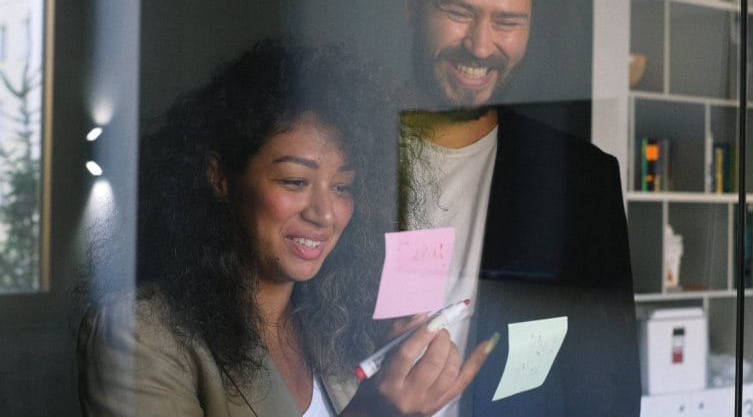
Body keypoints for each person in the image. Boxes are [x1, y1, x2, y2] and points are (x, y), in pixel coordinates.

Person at [77, 40, 493, 416]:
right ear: (219, 177)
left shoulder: (333, 326)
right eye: (295, 181)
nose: (324, 214)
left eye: (343, 186)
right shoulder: (138, 334)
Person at [397, 0, 641, 415]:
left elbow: (607, 388)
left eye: (507, 22)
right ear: (414, 6)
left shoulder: (583, 181)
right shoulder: (337, 159)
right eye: (459, 12)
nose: (480, 46)